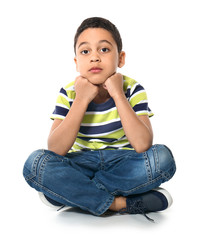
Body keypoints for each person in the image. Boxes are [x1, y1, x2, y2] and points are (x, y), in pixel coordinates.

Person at [23, 17, 176, 222]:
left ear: (120, 58)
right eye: (85, 52)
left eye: (104, 50)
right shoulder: (68, 92)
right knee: (35, 163)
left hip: (123, 162)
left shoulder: (133, 89)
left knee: (163, 158)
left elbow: (142, 145)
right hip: (80, 163)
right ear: (77, 62)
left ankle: (71, 193)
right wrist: (82, 98)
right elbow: (55, 149)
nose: (94, 57)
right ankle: (118, 203)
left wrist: (118, 95)